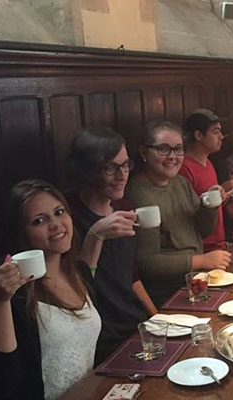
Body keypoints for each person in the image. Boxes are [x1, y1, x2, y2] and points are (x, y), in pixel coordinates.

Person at [0, 180, 100, 400]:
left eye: (59, 212)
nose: (56, 224)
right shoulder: (13, 292)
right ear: (20, 233)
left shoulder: (80, 272)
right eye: (39, 221)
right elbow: (2, 380)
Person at [65, 126, 157, 364]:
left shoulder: (124, 206)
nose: (122, 175)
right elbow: (75, 289)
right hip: (101, 337)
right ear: (86, 170)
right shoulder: (68, 218)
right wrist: (96, 234)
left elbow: (131, 275)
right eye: (110, 168)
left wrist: (157, 317)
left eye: (126, 165)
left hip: (135, 324)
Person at [127, 121, 228, 305]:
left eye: (178, 149)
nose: (173, 157)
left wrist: (209, 206)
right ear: (144, 153)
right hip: (168, 292)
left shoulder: (180, 182)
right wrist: (201, 261)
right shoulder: (139, 194)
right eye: (163, 149)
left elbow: (203, 231)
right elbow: (147, 263)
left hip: (197, 281)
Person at [179, 109, 233, 252]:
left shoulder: (208, 163)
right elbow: (190, 214)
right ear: (199, 135)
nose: (221, 136)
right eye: (215, 132)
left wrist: (226, 191)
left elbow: (212, 206)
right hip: (202, 250)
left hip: (218, 244)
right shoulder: (184, 168)